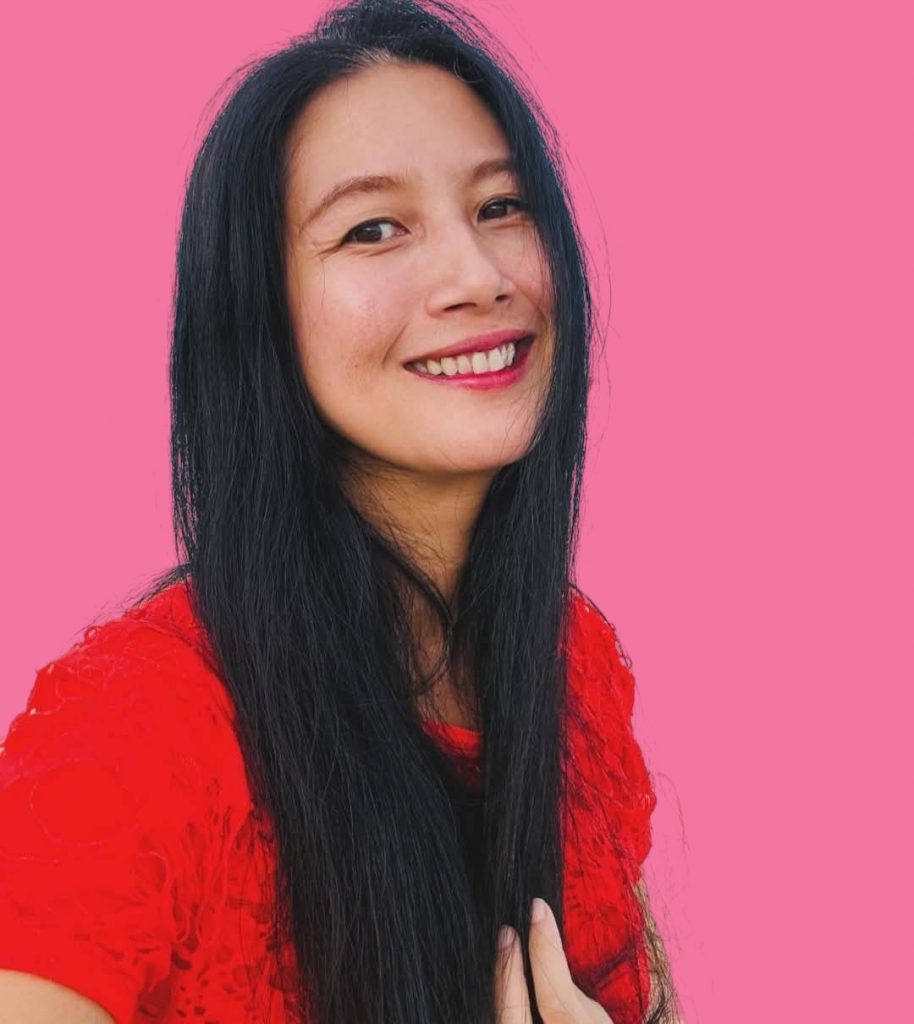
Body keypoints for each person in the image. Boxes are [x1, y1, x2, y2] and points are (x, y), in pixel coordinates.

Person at [0, 1, 682, 1021]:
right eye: (373, 229)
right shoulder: (141, 724)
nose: (477, 276)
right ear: (259, 313)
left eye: (502, 206)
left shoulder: (568, 661)